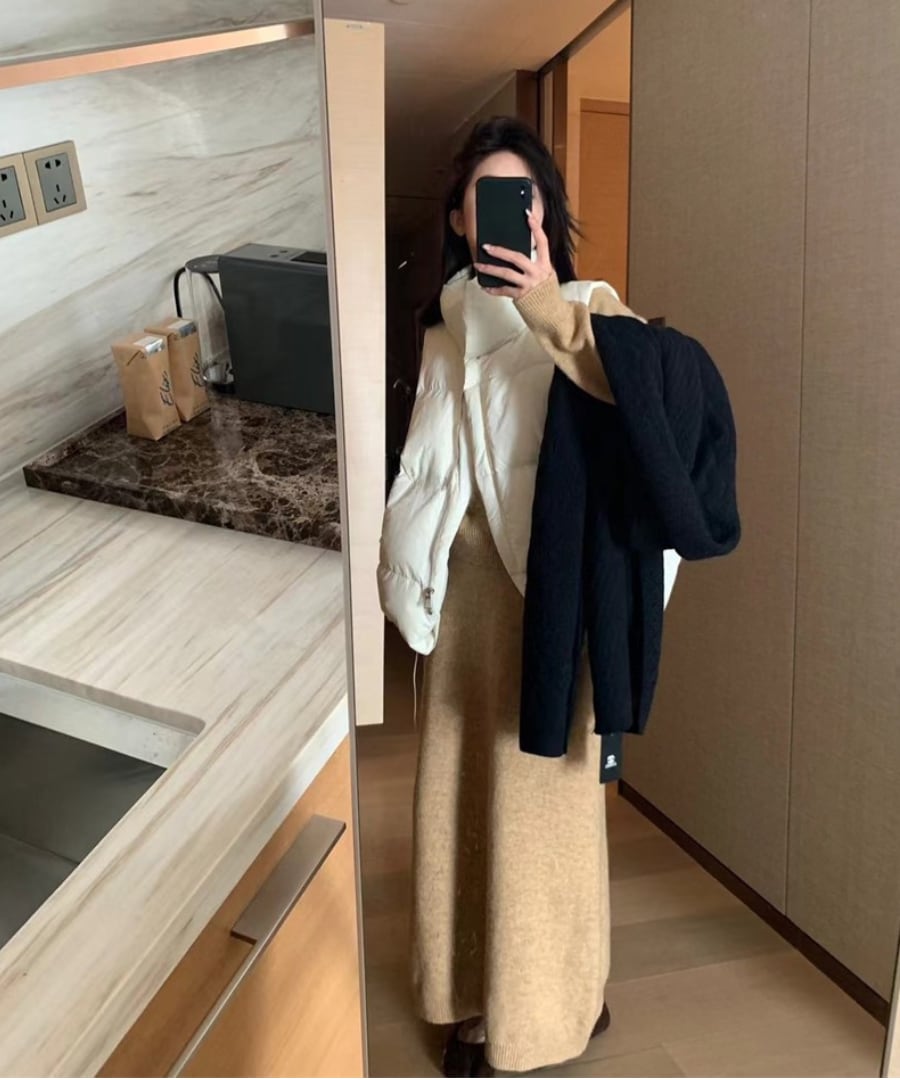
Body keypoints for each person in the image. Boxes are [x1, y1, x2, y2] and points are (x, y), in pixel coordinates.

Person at [378, 116, 648, 1077]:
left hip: (551, 600)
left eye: (521, 193)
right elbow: (427, 470)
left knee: (545, 812)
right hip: (464, 603)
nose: (507, 211)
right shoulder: (441, 328)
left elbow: (637, 399)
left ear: (544, 213)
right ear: (460, 219)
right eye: (486, 196)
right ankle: (471, 995)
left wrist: (542, 302)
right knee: (460, 799)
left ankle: (551, 1007)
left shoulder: (587, 306)